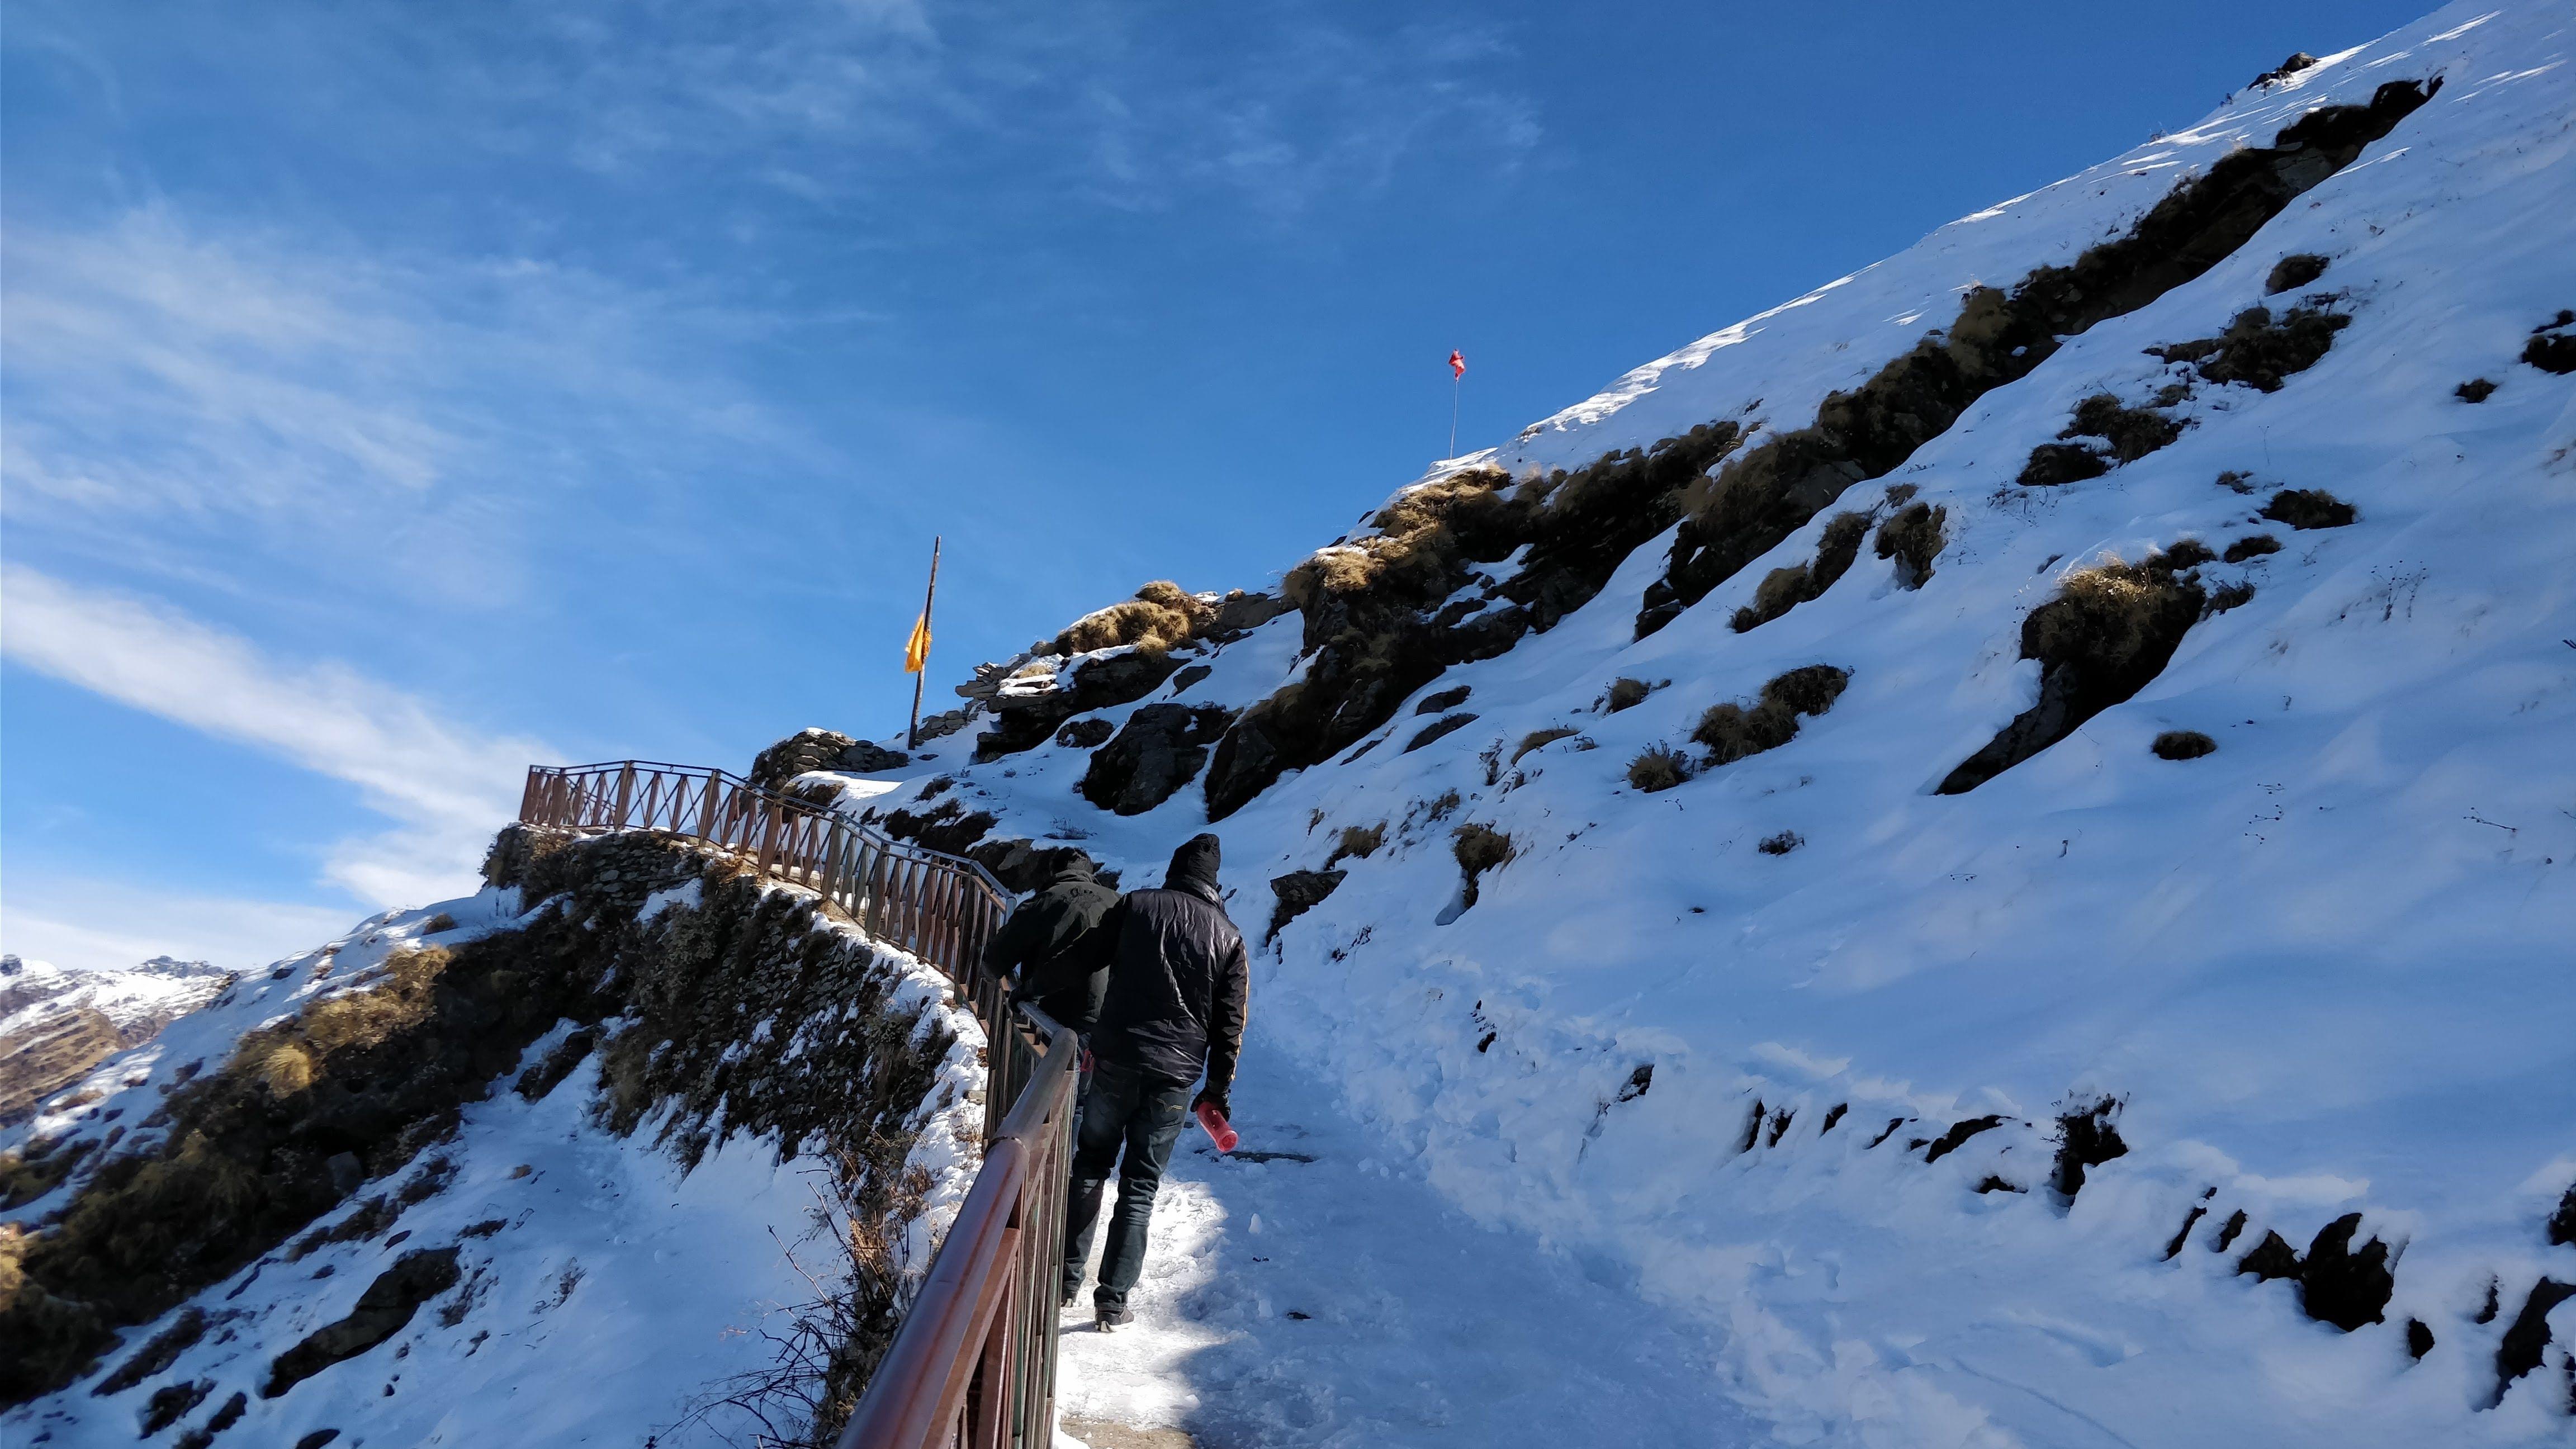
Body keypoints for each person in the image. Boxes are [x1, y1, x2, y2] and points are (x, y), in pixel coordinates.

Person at [1038, 832, 1248, 1327]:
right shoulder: (1229, 937)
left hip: (1115, 1059)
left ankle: (1063, 1282)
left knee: (1090, 1163)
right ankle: (1112, 1301)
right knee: (1140, 1186)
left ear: (1174, 871)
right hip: (1174, 1078)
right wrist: (1216, 1093)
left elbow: (1084, 957)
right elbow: (1230, 1027)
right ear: (1215, 884)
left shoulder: (1137, 906)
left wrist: (1031, 986)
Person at [981, 853, 1119, 1035]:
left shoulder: (1044, 902)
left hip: (1051, 1018)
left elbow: (995, 961)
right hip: (1113, 1019)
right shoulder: (1120, 902)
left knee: (1049, 1062)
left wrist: (989, 972)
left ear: (1054, 872)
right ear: (1091, 873)